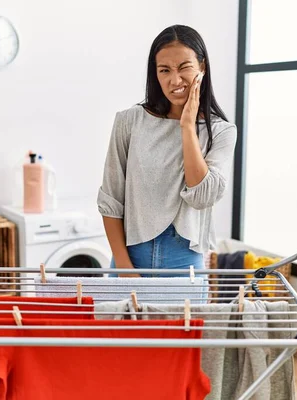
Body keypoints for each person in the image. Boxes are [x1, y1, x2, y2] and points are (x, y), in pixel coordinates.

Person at [97, 25, 237, 278]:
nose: (175, 80)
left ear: (202, 67)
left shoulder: (222, 131)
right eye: (165, 70)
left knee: (182, 320)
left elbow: (202, 196)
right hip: (129, 255)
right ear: (155, 74)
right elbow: (110, 201)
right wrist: (125, 269)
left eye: (184, 67)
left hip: (184, 261)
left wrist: (187, 126)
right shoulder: (129, 122)